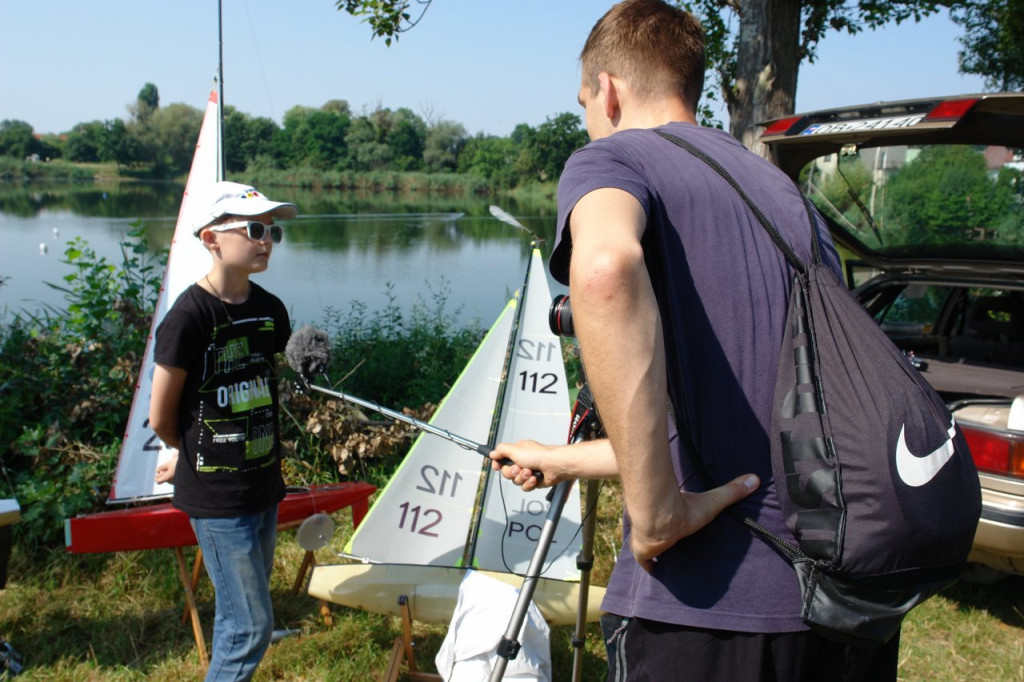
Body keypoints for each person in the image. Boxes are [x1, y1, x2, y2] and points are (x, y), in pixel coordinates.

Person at [490, 1, 899, 679]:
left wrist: (655, 517)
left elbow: (603, 271)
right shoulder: (779, 193)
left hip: (713, 609)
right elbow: (751, 432)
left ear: (608, 90)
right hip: (843, 605)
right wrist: (564, 460)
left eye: (584, 101)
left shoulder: (614, 160)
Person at [149, 181, 296, 681]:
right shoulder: (189, 318)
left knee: (241, 618)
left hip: (263, 485)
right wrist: (185, 453)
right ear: (212, 238)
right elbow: (162, 417)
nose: (266, 239)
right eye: (254, 229)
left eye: (271, 230)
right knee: (250, 626)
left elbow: (264, 383)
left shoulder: (271, 309)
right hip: (217, 497)